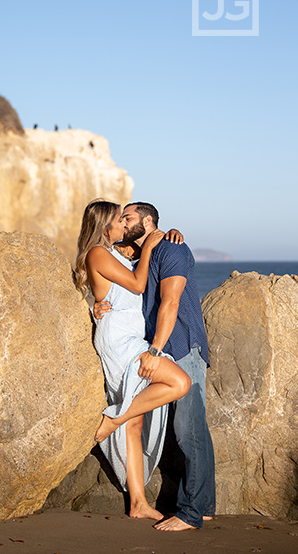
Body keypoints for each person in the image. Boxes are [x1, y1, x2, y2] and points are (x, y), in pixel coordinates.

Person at [96, 202, 216, 532]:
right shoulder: (139, 256)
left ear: (147, 221)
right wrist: (96, 303)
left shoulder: (172, 249)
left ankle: (190, 514)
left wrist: (155, 350)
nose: (123, 222)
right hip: (158, 348)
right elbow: (112, 280)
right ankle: (204, 507)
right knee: (195, 431)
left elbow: (172, 302)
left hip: (180, 348)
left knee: (188, 431)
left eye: (128, 218)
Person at [75, 201, 192, 521]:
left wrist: (165, 236)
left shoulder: (116, 253)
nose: (124, 226)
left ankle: (138, 503)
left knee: (136, 420)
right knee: (179, 382)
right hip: (120, 341)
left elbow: (112, 292)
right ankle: (112, 418)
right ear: (104, 227)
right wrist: (153, 247)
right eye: (118, 220)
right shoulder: (98, 253)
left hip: (129, 335)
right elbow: (138, 284)